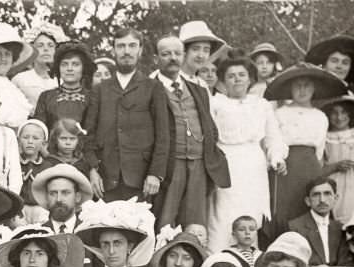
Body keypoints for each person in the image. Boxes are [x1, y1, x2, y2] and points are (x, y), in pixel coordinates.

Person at [207, 51, 287, 254]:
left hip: (254, 166)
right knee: (223, 215)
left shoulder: (261, 105)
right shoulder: (216, 103)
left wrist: (276, 157)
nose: (237, 80)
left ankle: (249, 264)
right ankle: (219, 259)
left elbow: (273, 137)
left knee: (251, 215)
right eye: (231, 76)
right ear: (223, 80)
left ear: (250, 78)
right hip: (226, 163)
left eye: (241, 75)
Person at [151, 35, 230, 231]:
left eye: (177, 53)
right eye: (166, 54)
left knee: (196, 223)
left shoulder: (198, 89)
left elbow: (210, 126)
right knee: (164, 222)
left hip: (198, 164)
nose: (172, 58)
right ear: (156, 59)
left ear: (183, 56)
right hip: (170, 164)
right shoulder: (149, 87)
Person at [82, 28, 169, 202]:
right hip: (105, 179)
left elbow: (163, 135)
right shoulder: (100, 89)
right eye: (121, 46)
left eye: (132, 46)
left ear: (140, 50)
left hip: (142, 179)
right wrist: (92, 169)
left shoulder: (153, 88)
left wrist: (155, 173)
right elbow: (87, 134)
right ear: (113, 50)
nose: (126, 51)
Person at [267, 63, 346, 243]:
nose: (302, 90)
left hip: (310, 167)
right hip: (286, 166)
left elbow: (319, 150)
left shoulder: (321, 117)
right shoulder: (279, 113)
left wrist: (316, 170)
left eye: (307, 85)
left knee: (310, 206)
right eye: (298, 86)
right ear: (291, 89)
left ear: (314, 89)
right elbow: (273, 141)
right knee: (284, 209)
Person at [288, 177, 353, 267]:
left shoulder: (341, 228)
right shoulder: (295, 227)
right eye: (316, 194)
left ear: (336, 198)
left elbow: (346, 264)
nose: (322, 199)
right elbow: (292, 263)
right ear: (308, 201)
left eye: (327, 194)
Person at [33, 41, 94, 129]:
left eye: (75, 64)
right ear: (58, 68)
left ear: (83, 68)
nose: (69, 69)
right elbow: (39, 130)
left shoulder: (92, 97)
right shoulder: (46, 97)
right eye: (64, 64)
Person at [12, 22, 68, 110]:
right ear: (32, 50)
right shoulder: (20, 80)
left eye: (50, 45)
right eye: (40, 45)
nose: (46, 49)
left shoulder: (64, 80)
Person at [321, 93, 354, 220]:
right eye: (334, 113)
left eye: (344, 112)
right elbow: (317, 171)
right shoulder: (324, 138)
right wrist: (335, 166)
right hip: (334, 186)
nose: (339, 117)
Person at [178, 21, 224, 88]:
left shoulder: (203, 85)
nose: (201, 55)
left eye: (206, 50)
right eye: (195, 49)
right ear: (183, 51)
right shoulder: (169, 80)